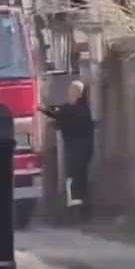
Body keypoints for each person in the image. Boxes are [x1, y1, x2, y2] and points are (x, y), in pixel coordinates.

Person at [39, 80, 95, 221]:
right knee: (80, 178)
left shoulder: (73, 108)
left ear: (77, 93)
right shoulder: (83, 108)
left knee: (72, 179)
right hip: (84, 148)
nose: (68, 92)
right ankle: (82, 211)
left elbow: (58, 115)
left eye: (71, 90)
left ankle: (74, 211)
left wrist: (40, 109)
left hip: (76, 148)